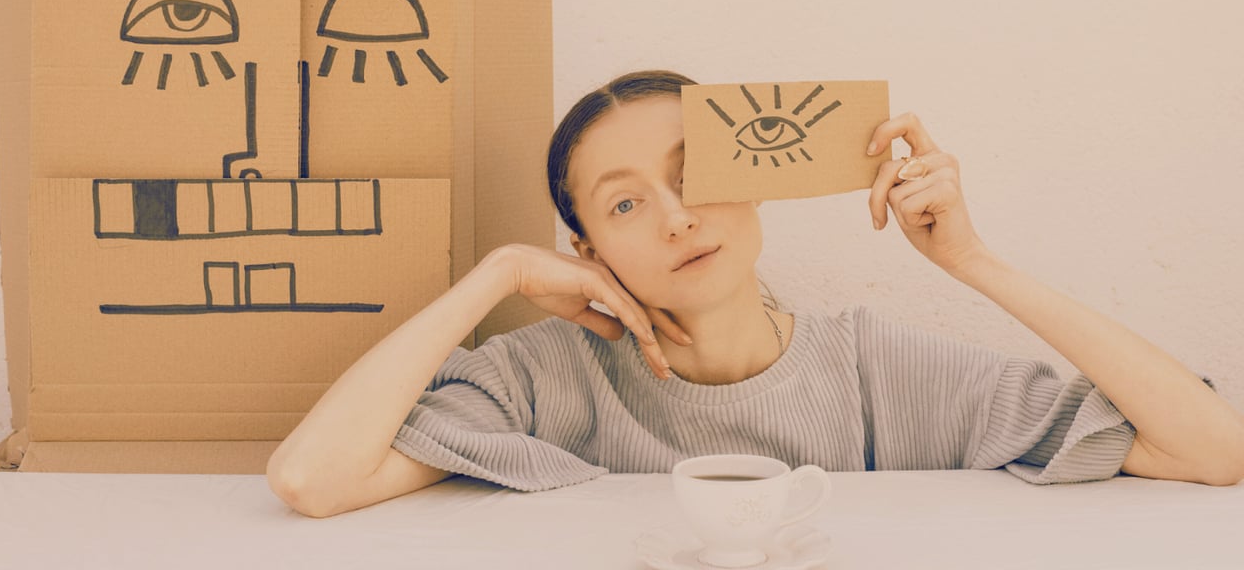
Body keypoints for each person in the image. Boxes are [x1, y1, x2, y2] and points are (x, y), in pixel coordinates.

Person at [266, 70, 1244, 518]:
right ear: (585, 246)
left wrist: (970, 262)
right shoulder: (543, 377)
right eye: (624, 204)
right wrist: (494, 277)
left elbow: (1207, 447)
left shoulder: (866, 367)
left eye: (694, 175)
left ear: (756, 173)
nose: (677, 219)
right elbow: (312, 479)